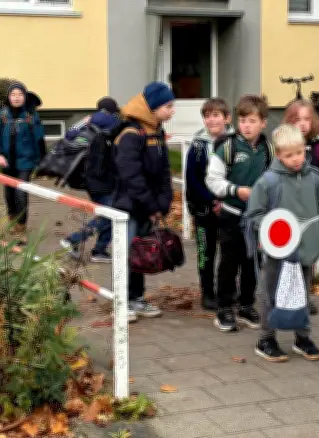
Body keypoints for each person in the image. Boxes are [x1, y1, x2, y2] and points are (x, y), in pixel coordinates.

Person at [244, 124, 319, 362]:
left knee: (303, 292)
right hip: (278, 252)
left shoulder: (314, 178)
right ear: (278, 154)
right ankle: (266, 338)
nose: (296, 159)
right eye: (288, 155)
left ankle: (302, 338)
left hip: (306, 249)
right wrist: (272, 232)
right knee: (269, 292)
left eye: (300, 153)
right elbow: (254, 215)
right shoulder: (268, 182)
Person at [205, 95, 273, 332]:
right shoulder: (228, 146)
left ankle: (246, 305)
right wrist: (235, 190)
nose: (246, 125)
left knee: (251, 261)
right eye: (242, 120)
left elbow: (275, 179)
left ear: (263, 122)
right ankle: (224, 308)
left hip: (257, 218)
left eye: (252, 120)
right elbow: (212, 179)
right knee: (228, 263)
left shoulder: (269, 149)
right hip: (231, 214)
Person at [112, 82, 176, 320]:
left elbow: (164, 170)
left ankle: (137, 298)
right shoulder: (131, 133)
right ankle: (121, 301)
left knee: (140, 255)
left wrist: (163, 202)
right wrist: (151, 205)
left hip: (147, 207)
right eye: (168, 106)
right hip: (129, 207)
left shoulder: (156, 131)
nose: (172, 110)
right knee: (126, 254)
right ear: (154, 106)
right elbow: (131, 175)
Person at [283, 99, 319, 315]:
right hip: (288, 208)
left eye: (307, 119)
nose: (303, 124)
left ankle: (304, 296)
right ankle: (286, 294)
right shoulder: (283, 145)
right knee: (288, 254)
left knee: (309, 254)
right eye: (297, 120)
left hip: (312, 210)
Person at [60, 97, 123, 263]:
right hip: (105, 177)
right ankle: (73, 240)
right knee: (110, 214)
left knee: (110, 212)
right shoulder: (114, 120)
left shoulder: (87, 120)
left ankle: (100, 250)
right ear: (113, 110)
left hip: (87, 177)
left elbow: (70, 133)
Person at [185, 98, 234, 311]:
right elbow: (192, 178)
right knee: (206, 251)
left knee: (230, 252)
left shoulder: (236, 142)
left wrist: (225, 200)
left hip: (230, 207)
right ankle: (207, 292)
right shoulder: (198, 145)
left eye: (216, 115)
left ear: (227, 118)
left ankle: (228, 290)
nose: (211, 120)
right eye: (207, 116)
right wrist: (210, 200)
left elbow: (239, 174)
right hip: (204, 208)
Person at [0, 82, 46, 239]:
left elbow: (39, 139)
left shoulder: (30, 116)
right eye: (13, 94)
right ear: (9, 97)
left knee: (21, 193)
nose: (16, 97)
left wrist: (43, 162)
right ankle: (12, 221)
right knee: (9, 194)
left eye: (20, 94)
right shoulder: (1, 115)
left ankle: (21, 227)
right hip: (6, 162)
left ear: (25, 97)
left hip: (25, 161)